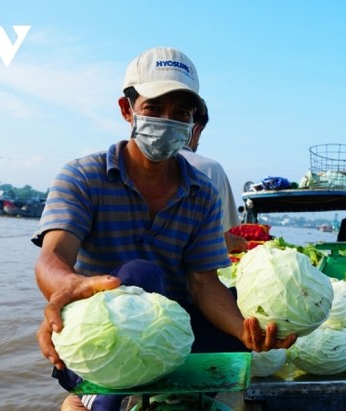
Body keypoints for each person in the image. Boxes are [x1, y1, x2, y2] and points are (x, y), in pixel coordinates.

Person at [32, 46, 296, 411]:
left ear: (191, 124)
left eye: (181, 113)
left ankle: (161, 392)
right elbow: (53, 257)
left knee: (241, 310)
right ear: (128, 110)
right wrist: (69, 285)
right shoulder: (83, 176)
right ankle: (94, 396)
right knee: (139, 273)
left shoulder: (201, 192)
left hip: (166, 329)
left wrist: (244, 330)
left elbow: (204, 284)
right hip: (101, 336)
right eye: (154, 109)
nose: (168, 121)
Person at [180, 104, 248, 254]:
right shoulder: (211, 169)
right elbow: (216, 241)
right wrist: (233, 242)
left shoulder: (132, 163)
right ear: (196, 130)